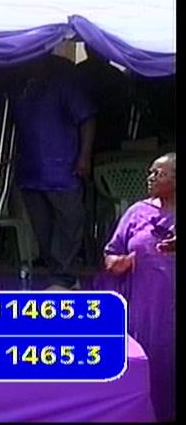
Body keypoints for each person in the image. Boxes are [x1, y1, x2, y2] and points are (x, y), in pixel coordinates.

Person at [94, 152, 175, 422]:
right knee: (145, 364)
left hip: (171, 309)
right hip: (142, 307)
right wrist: (117, 263)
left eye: (158, 174)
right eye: (150, 172)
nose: (150, 178)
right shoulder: (137, 211)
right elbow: (111, 252)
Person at [9, 54, 96, 290]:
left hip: (63, 168)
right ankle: (58, 274)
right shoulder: (20, 83)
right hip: (30, 169)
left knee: (69, 223)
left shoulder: (62, 80)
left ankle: (65, 278)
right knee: (42, 228)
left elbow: (87, 118)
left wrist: (84, 157)